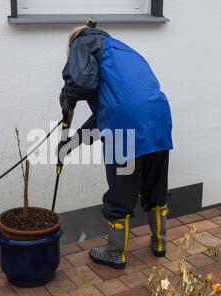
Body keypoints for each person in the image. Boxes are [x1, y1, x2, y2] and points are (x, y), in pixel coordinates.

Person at [58, 22, 173, 270]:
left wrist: (67, 97)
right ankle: (160, 243)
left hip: (125, 129)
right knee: (155, 188)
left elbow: (80, 84)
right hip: (158, 121)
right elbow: (109, 109)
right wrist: (73, 143)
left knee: (121, 193)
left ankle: (115, 253)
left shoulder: (83, 42)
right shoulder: (121, 50)